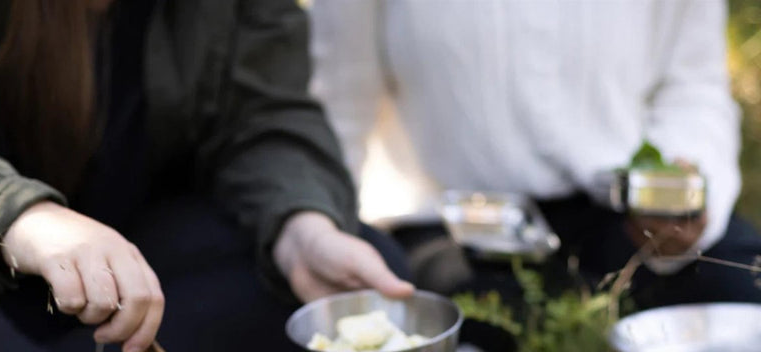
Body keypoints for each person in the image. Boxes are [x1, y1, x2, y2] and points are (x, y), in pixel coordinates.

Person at [0, 0, 414, 352]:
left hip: (125, 291)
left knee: (349, 280)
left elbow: (262, 113)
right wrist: (20, 217)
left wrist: (300, 229)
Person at [308, 0, 761, 310]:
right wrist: (319, 229)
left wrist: (681, 198)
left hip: (618, 217)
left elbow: (692, 86)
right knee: (479, 313)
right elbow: (338, 104)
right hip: (451, 227)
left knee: (744, 284)